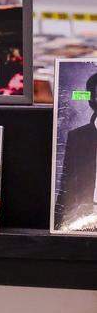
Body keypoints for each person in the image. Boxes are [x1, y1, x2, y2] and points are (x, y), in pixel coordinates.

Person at [58, 72, 97, 229]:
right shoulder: (77, 137)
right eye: (95, 95)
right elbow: (66, 185)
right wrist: (58, 225)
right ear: (90, 100)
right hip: (83, 217)